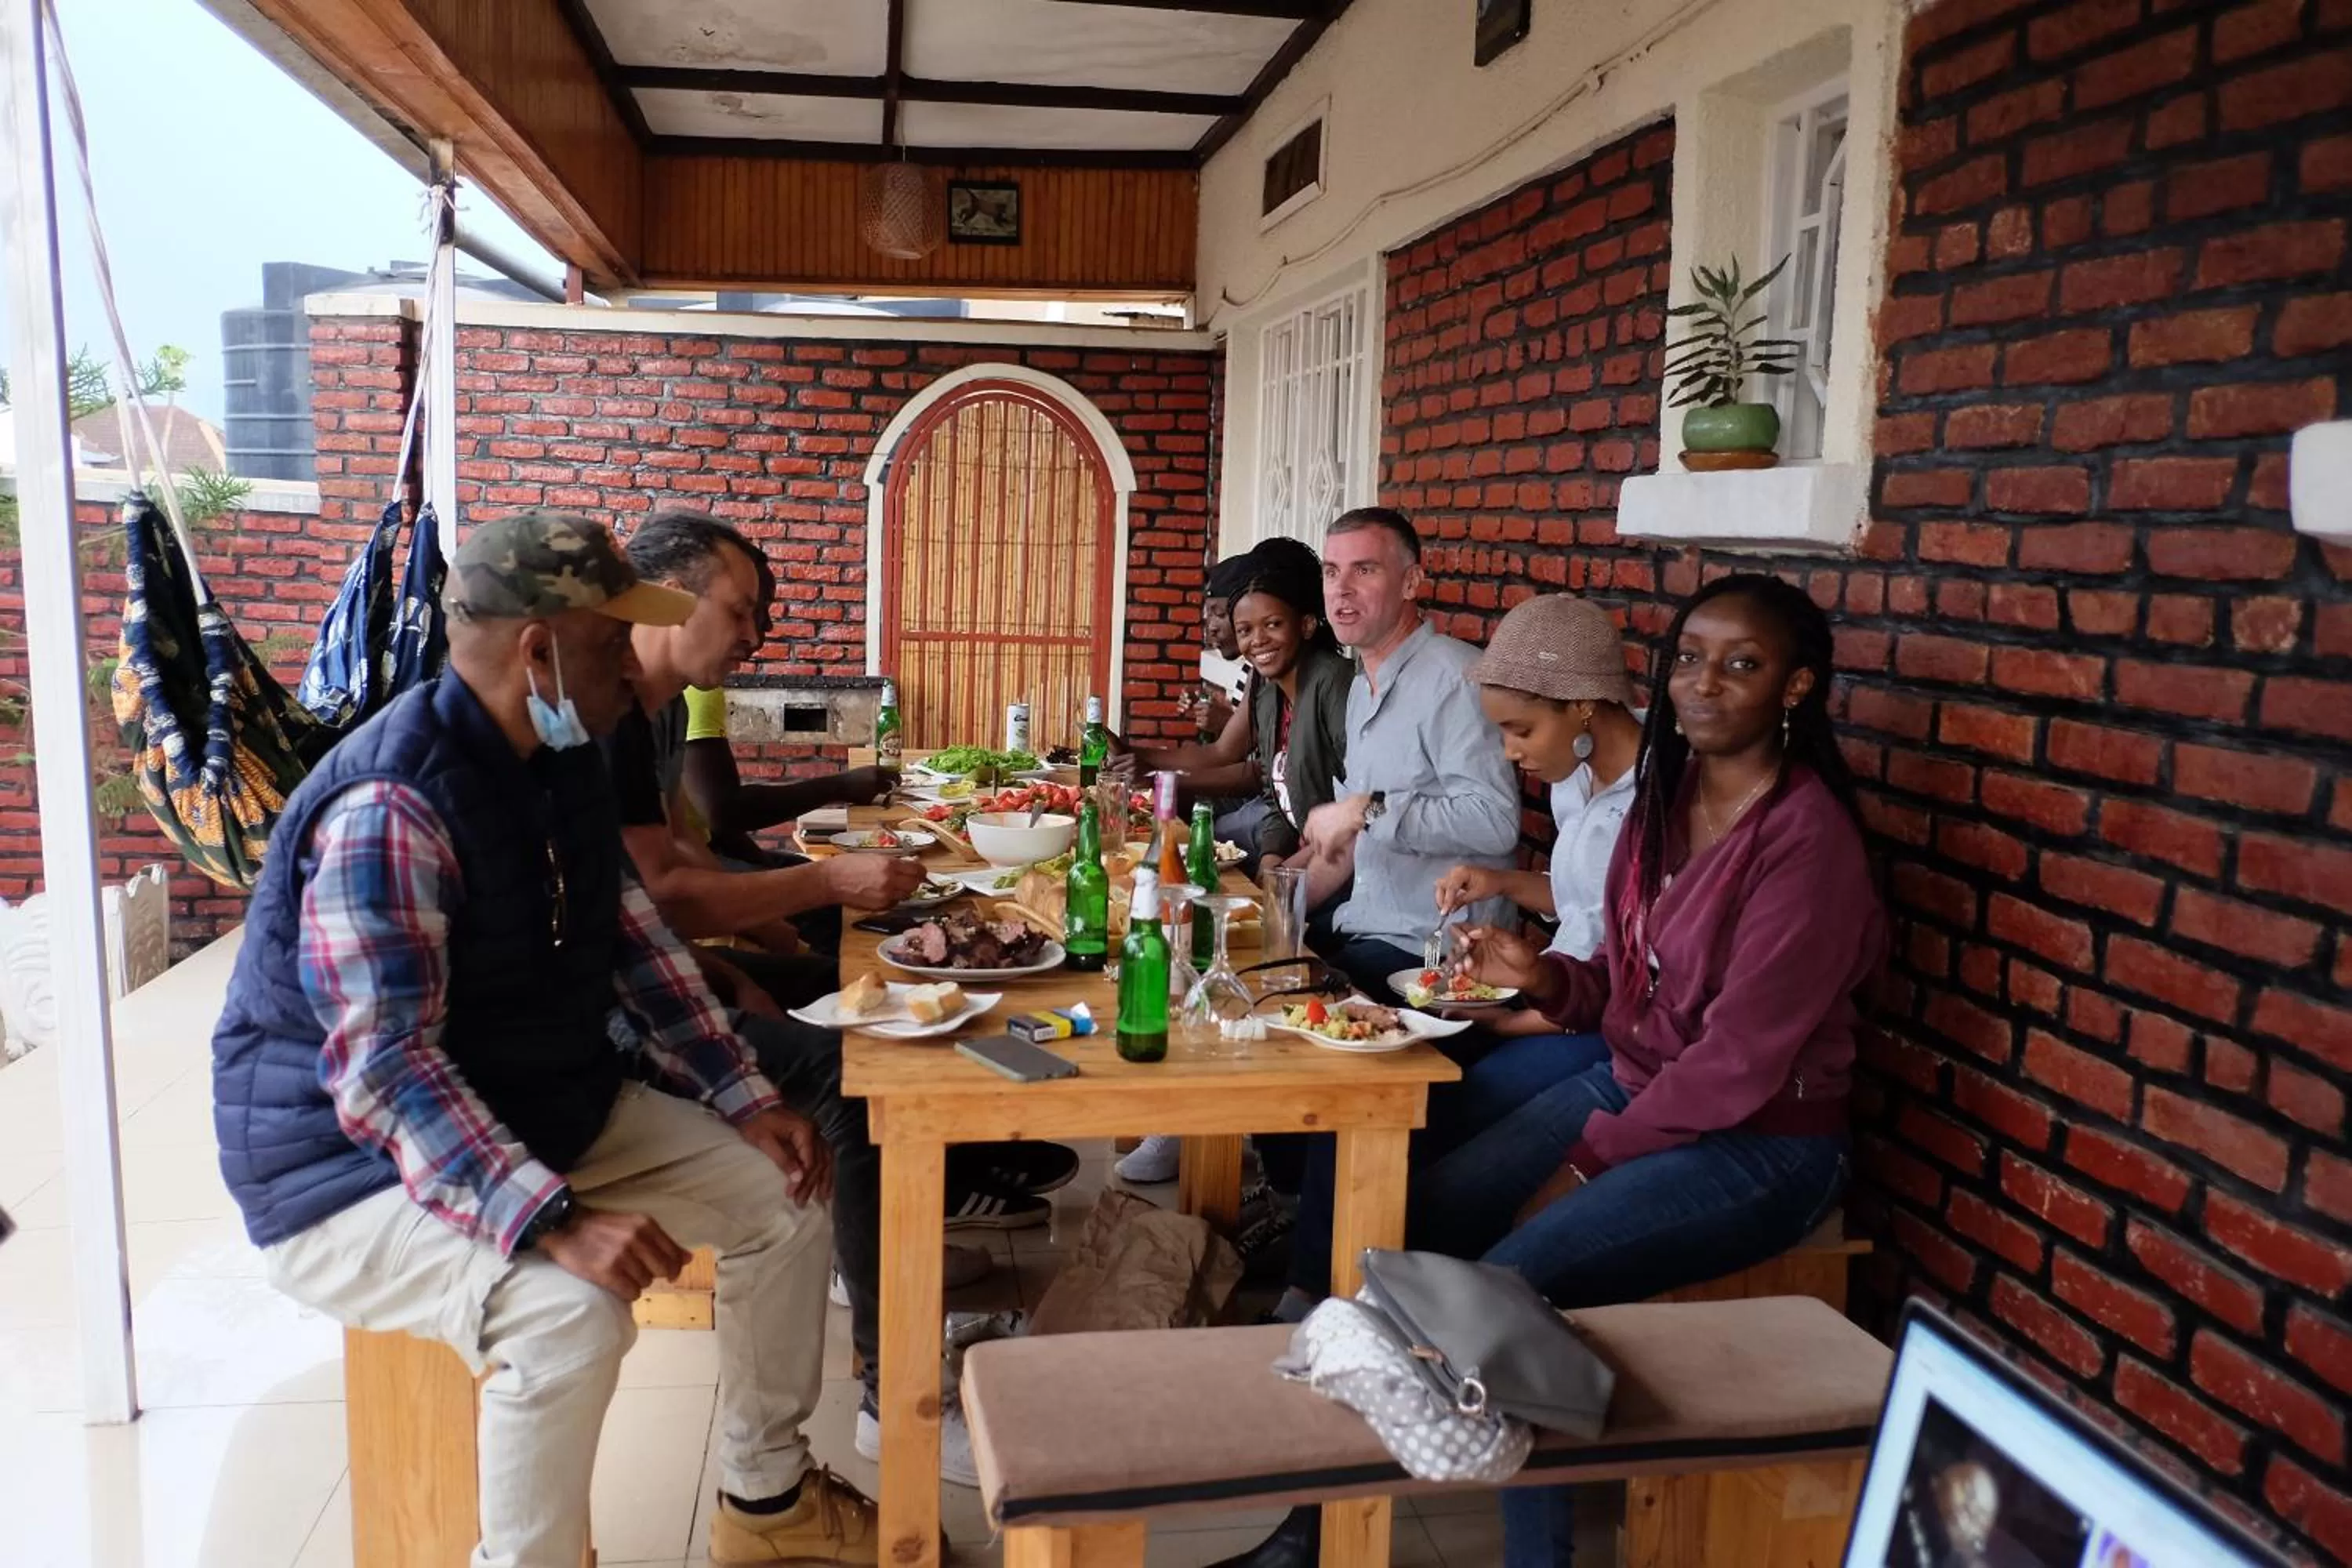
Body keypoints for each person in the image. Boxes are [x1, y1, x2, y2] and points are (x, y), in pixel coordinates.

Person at [212, 510, 875, 1566]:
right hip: (347, 1170)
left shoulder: (564, 753)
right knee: (571, 1315)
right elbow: (383, 1070)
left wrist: (750, 1100)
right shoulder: (394, 803)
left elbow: (639, 947)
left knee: (786, 1194)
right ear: (538, 650)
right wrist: (548, 1217)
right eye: (616, 640)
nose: (634, 666)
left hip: (525, 1103)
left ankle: (767, 1503)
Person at [1225, 572, 1881, 1568]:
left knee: (1509, 1284)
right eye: (1689, 659)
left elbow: (1738, 1061)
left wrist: (1584, 1163)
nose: (1703, 684)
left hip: (1762, 1143)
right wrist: (1546, 975)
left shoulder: (1806, 842)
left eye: (1741, 664)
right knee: (1403, 1221)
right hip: (1640, 1080)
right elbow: (1623, 975)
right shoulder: (1668, 797)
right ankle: (1312, 1527)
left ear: (1795, 688)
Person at [609, 510, 1072, 1485]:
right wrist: (820, 887)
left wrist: (760, 947)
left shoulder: (640, 708)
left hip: (641, 975)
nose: (754, 637)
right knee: (856, 1080)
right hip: (600, 1020)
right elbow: (661, 889)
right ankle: (886, 1390)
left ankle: (903, 1228)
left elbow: (675, 865)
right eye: (742, 612)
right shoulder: (597, 715)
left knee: (854, 987)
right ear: (663, 598)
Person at [1112, 544, 1352, 1186]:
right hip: (1294, 867)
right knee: (1187, 940)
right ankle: (1185, 1125)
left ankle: (1258, 1167)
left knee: (1232, 964)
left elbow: (1354, 819)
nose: (1253, 641)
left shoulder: (1334, 686)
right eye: (1246, 630)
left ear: (1307, 622)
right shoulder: (1273, 689)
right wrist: (1273, 861)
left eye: (1268, 626)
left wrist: (1282, 884)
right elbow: (1275, 795)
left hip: (1342, 883)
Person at [1290, 507, 1520, 998]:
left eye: (1364, 570)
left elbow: (1496, 821)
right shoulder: (1361, 687)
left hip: (1437, 953)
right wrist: (1273, 908)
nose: (1342, 589)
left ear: (1411, 582)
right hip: (1368, 925)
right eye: (1332, 572)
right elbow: (1347, 841)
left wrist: (1364, 809)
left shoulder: (1456, 679)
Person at [1436, 592, 1645, 1040]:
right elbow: (1589, 899)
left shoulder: (1660, 796)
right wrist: (1498, 883)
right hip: (1557, 993)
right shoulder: (1573, 770)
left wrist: (1510, 1026)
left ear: (1582, 704)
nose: (1511, 752)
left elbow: (1637, 969)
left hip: (1609, 1026)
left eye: (1522, 731)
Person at [678, 681, 898, 875]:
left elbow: (713, 825)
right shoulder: (696, 690)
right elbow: (722, 812)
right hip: (692, 874)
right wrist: (843, 786)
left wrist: (765, 866)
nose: (754, 641)